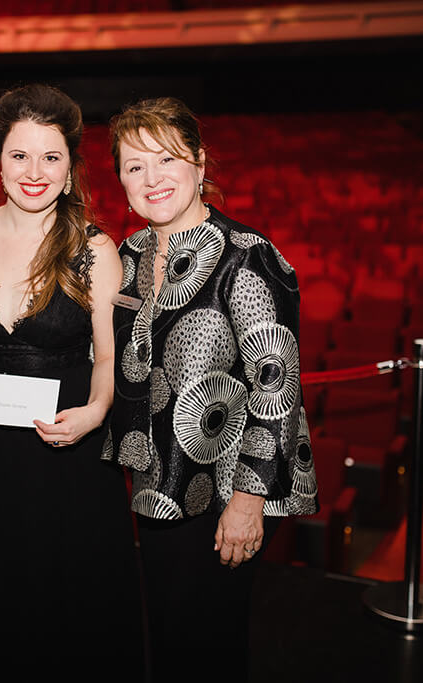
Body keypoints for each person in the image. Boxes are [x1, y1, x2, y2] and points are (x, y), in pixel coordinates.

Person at [105, 97, 317, 681]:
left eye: (167, 159)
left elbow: (277, 387)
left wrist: (248, 502)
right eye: (134, 166)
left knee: (207, 640)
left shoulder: (248, 256)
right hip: (162, 481)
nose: (152, 178)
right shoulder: (128, 256)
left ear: (199, 164)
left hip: (230, 486)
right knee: (170, 633)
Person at [0, 84, 142, 679]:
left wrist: (96, 411)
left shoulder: (96, 249)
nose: (34, 172)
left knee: (72, 622)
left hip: (70, 458)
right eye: (20, 156)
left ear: (70, 167)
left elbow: (108, 358)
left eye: (51, 157)